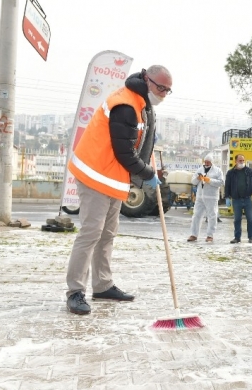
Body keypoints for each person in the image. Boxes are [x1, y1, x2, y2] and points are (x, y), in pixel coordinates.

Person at [65, 65, 172, 315]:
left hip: (112, 177)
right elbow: (124, 153)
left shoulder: (141, 104)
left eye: (168, 90)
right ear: (147, 80)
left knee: (108, 233)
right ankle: (75, 291)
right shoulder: (125, 105)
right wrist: (148, 174)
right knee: (91, 232)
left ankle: (102, 285)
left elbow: (132, 143)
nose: (164, 94)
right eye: (160, 87)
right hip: (94, 174)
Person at [188, 153, 224, 242]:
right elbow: (193, 181)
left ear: (211, 162)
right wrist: (198, 178)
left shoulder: (217, 171)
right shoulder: (200, 169)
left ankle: (210, 235)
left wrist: (209, 180)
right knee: (196, 215)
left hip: (211, 197)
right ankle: (194, 234)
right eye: (205, 161)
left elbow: (221, 182)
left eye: (208, 162)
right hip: (200, 196)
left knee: (212, 216)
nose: (206, 163)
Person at [224, 154, 252, 243]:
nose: (242, 162)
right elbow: (227, 186)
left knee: (250, 219)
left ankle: (251, 237)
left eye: (243, 160)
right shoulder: (230, 173)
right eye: (240, 160)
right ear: (235, 161)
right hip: (236, 199)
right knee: (237, 220)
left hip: (247, 199)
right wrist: (227, 197)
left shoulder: (249, 171)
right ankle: (237, 238)